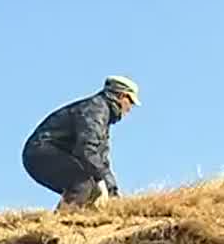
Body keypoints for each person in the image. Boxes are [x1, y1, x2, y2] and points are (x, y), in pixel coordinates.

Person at [22, 76, 140, 208]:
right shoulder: (95, 110)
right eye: (131, 102)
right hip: (40, 152)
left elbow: (101, 159)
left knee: (92, 188)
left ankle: (74, 219)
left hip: (46, 152)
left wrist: (112, 191)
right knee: (83, 184)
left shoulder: (102, 116)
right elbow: (86, 149)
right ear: (121, 96)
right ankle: (62, 222)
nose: (130, 109)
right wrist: (101, 180)